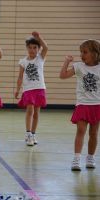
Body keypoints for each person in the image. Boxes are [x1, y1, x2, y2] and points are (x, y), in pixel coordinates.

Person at [59, 39, 100, 171]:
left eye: (85, 52)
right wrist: (66, 62)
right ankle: (76, 159)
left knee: (93, 133)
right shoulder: (79, 67)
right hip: (83, 104)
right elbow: (63, 76)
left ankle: (90, 157)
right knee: (81, 131)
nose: (82, 55)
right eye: (81, 52)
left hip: (97, 105)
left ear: (95, 53)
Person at [15, 31, 48, 146]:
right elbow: (20, 77)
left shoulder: (40, 59)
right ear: (26, 48)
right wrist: (17, 89)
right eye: (30, 47)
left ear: (38, 49)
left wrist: (39, 37)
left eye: (35, 48)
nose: (32, 50)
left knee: (36, 113)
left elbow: (46, 47)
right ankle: (28, 133)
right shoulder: (23, 61)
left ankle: (33, 134)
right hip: (28, 90)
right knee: (30, 111)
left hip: (39, 89)